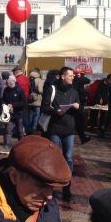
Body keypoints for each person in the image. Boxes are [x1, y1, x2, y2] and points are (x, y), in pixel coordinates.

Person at [41, 66, 80, 202]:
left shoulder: (74, 91)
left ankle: (67, 187)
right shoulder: (52, 89)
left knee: (68, 158)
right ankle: (50, 185)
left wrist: (77, 107)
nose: (73, 77)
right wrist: (56, 111)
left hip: (69, 129)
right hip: (55, 128)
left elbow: (79, 107)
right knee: (53, 156)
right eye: (70, 75)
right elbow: (44, 107)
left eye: (73, 75)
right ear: (63, 76)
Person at [0, 75, 26, 153]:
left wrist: (13, 105)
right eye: (8, 83)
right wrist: (5, 105)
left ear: (14, 82)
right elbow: (3, 100)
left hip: (18, 113)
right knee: (8, 130)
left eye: (11, 83)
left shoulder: (19, 90)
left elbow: (24, 102)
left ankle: (22, 146)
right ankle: (7, 146)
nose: (9, 84)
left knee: (20, 131)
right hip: (9, 114)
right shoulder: (6, 90)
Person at [26, 69, 44, 134]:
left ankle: (28, 128)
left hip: (30, 100)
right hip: (37, 100)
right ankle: (34, 128)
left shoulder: (29, 80)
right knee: (36, 115)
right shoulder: (39, 80)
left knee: (30, 115)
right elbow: (40, 90)